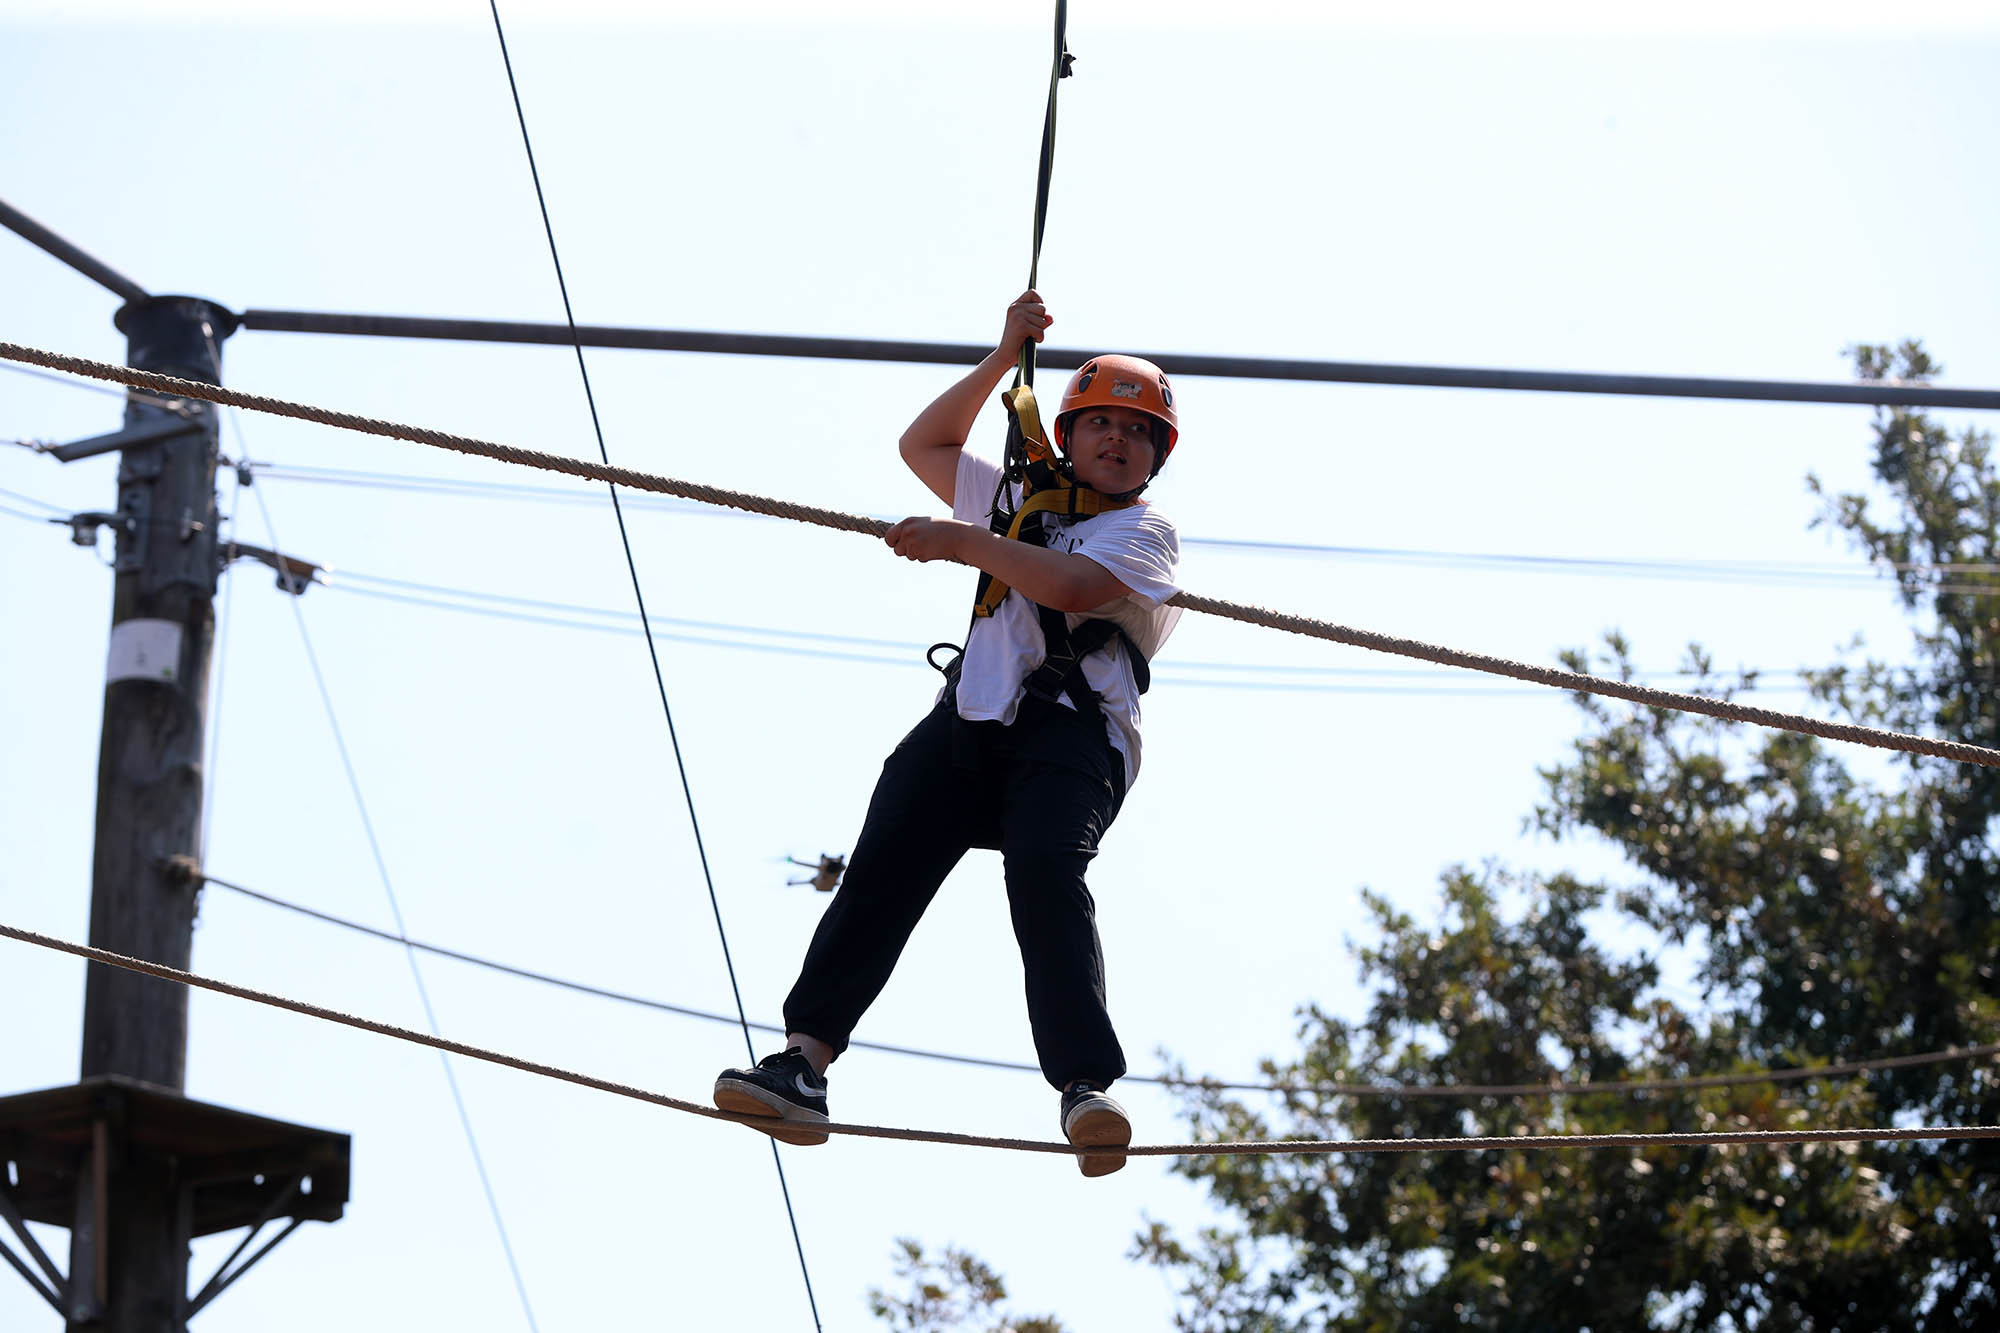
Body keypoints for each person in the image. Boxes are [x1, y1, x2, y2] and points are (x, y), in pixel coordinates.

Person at [713, 290, 1183, 1177]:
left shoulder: (1143, 531)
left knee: (1045, 872)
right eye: (1100, 425)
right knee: (883, 859)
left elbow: (1072, 588)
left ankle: (1084, 1085)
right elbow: (923, 445)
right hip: (971, 718)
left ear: (1154, 458)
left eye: (1138, 432)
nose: (1117, 441)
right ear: (1068, 432)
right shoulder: (1016, 493)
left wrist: (966, 542)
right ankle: (802, 1065)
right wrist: (1005, 355)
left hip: (1072, 738)